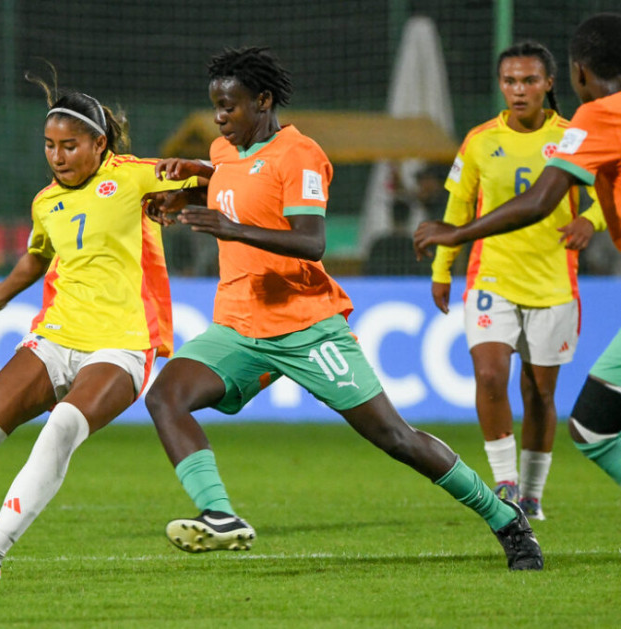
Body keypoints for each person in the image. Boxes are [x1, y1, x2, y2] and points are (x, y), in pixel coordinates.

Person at [141, 46, 543, 570]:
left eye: (230, 107)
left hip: (307, 329)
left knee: (395, 438)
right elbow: (230, 182)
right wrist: (188, 194)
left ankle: (505, 518)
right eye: (216, 106)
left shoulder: (301, 155)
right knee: (165, 396)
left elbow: (312, 242)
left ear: (263, 101)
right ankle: (221, 515)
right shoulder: (223, 151)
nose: (220, 117)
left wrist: (231, 227)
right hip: (239, 326)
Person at [0, 79, 199, 580]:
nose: (58, 156)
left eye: (70, 146)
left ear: (99, 144)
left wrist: (188, 188)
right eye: (50, 146)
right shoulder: (46, 201)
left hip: (123, 344)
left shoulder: (132, 177)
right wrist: (6, 288)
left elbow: (210, 179)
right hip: (56, 336)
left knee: (62, 427)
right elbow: (39, 254)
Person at [415, 13, 621, 505]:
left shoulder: (591, 120)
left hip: (552, 282)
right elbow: (462, 198)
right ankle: (509, 485)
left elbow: (539, 201)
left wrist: (457, 234)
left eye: (530, 79)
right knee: (505, 383)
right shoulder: (482, 140)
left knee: (575, 417)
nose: (519, 89)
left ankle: (529, 492)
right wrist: (446, 264)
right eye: (510, 80)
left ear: (573, 75)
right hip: (494, 277)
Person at [362, 199, 431, 276]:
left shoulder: (379, 245)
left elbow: (368, 274)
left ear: (392, 217)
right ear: (408, 218)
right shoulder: (417, 248)